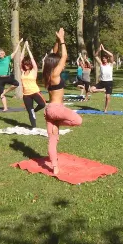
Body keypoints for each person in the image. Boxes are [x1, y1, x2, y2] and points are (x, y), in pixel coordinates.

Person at [43, 28, 83, 175]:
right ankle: (59, 122)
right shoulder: (55, 74)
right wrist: (63, 40)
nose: (62, 63)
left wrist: (57, 42)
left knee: (52, 139)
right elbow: (64, 55)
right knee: (78, 121)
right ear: (56, 63)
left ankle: (54, 166)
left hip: (48, 110)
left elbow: (54, 55)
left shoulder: (47, 74)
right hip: (57, 109)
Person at [19, 41, 46, 128]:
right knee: (29, 112)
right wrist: (23, 47)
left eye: (27, 64)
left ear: (30, 64)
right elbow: (20, 59)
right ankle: (33, 127)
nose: (26, 66)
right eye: (25, 64)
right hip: (26, 95)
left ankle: (34, 111)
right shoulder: (22, 72)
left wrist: (28, 48)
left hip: (35, 92)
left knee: (42, 104)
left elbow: (33, 59)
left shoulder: (34, 71)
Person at [90, 44, 114, 112]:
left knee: (107, 97)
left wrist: (104, 50)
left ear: (107, 59)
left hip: (109, 82)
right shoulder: (101, 64)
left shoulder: (110, 64)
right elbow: (95, 56)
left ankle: (105, 109)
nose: (104, 60)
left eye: (105, 58)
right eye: (103, 58)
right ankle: (102, 90)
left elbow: (111, 55)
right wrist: (99, 50)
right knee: (91, 90)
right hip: (102, 82)